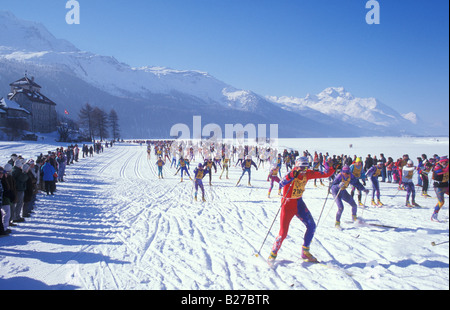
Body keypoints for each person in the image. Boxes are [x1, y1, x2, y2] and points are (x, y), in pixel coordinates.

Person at [268, 157, 335, 263]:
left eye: (305, 168)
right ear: (297, 166)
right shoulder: (292, 173)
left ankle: (305, 252)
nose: (303, 171)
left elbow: (325, 174)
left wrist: (329, 166)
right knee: (283, 233)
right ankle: (273, 254)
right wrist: (291, 176)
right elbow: (281, 183)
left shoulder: (307, 174)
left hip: (299, 204)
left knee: (312, 226)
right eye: (301, 168)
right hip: (288, 205)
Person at [330, 165, 369, 230]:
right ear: (343, 172)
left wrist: (364, 189)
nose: (348, 174)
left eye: (349, 173)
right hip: (336, 192)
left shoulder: (350, 175)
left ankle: (354, 218)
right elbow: (332, 186)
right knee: (341, 208)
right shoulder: (339, 176)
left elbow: (357, 183)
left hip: (343, 191)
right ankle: (337, 223)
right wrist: (338, 186)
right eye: (346, 173)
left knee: (354, 205)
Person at [431, 156, 449, 221]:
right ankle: (434, 215)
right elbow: (444, 171)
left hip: (446, 185)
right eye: (445, 162)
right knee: (441, 202)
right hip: (438, 187)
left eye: (447, 162)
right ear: (441, 162)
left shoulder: (446, 166)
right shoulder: (437, 167)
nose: (446, 163)